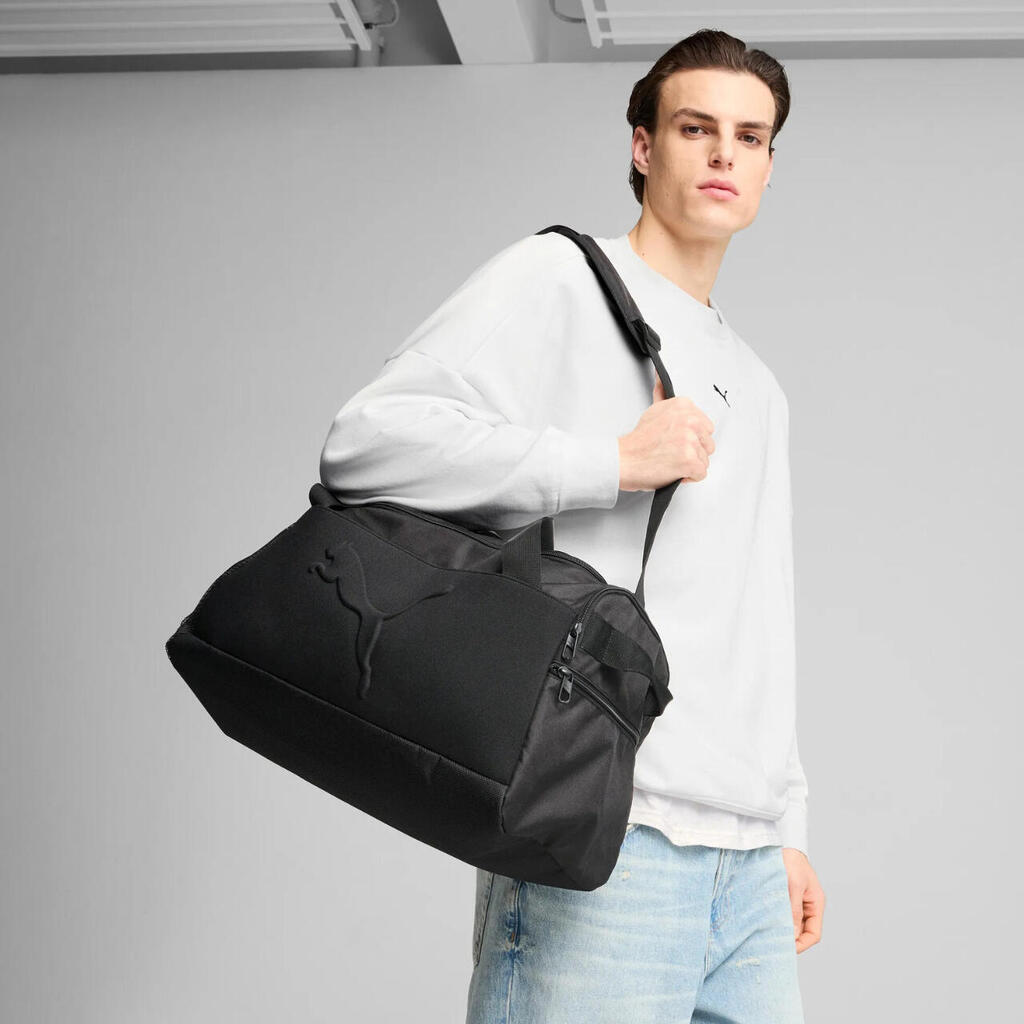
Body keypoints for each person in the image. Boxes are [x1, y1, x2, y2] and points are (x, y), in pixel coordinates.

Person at [319, 26, 825, 1024]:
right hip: (604, 837)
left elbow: (755, 619)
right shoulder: (561, 279)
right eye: (696, 128)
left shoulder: (760, 385)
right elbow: (365, 444)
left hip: (748, 869)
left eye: (749, 137)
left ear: (769, 165)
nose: (723, 155)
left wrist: (786, 823)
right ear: (643, 145)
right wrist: (608, 462)